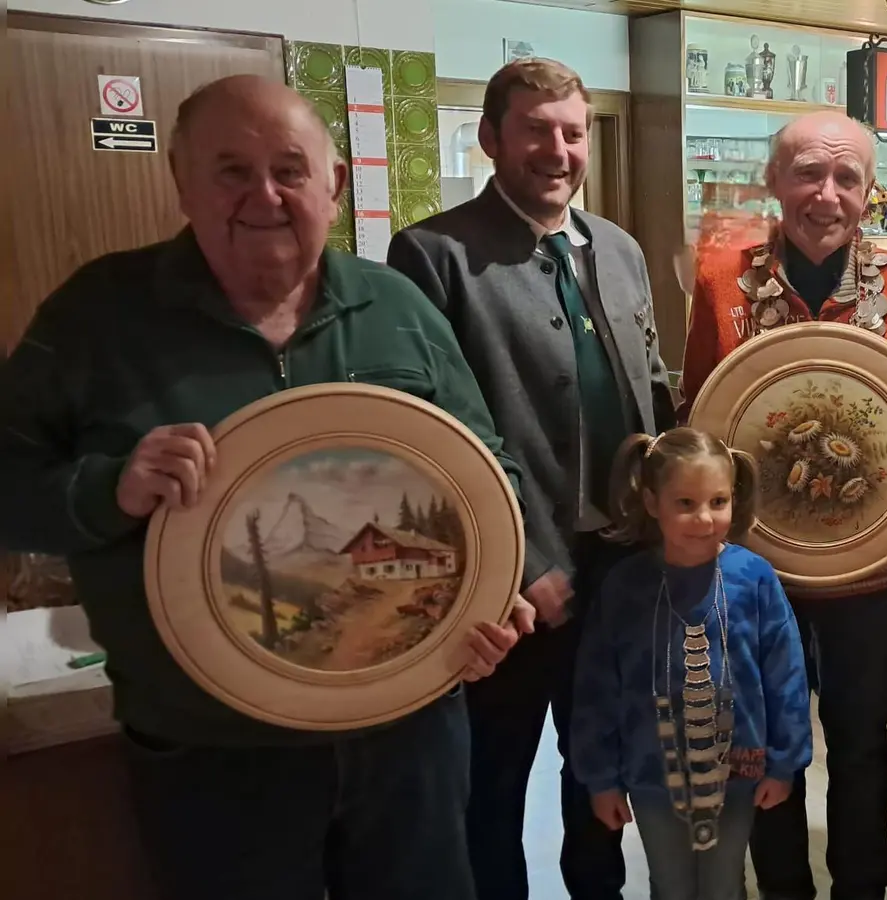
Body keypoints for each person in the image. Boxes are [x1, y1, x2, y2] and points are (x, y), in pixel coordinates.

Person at [0, 75, 532, 900]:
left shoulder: (398, 308)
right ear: (180, 181)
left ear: (335, 184)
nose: (265, 196)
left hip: (408, 737)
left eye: (289, 169)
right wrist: (111, 489)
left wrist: (493, 592)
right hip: (212, 748)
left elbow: (485, 471)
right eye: (230, 171)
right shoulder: (97, 318)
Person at [387, 57, 674, 900]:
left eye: (572, 132)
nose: (558, 149)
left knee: (600, 775)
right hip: (503, 586)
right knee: (492, 787)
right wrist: (526, 562)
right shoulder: (433, 254)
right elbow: (435, 432)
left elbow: (654, 388)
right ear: (490, 139)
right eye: (536, 131)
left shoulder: (618, 249)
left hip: (621, 567)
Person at [678, 110, 887, 900]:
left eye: (847, 177)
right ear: (775, 181)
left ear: (870, 191)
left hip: (870, 565)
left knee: (858, 735)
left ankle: (861, 887)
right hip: (754, 570)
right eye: (808, 172)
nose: (827, 193)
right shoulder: (718, 278)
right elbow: (696, 416)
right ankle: (782, 887)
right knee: (765, 737)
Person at [570, 427, 813, 900]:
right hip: (650, 775)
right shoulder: (624, 587)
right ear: (651, 501)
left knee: (725, 886)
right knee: (671, 886)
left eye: (718, 502)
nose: (704, 519)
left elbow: (786, 675)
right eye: (685, 503)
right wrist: (600, 778)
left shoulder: (755, 578)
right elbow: (595, 689)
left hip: (739, 775)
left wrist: (784, 763)